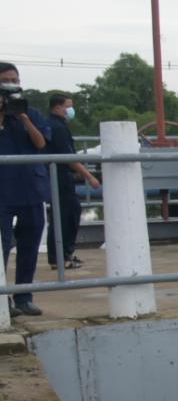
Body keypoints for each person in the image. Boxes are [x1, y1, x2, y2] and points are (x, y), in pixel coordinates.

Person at [0, 62, 51, 316]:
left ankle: (23, 297)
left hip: (30, 187)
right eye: (6, 80)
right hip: (2, 190)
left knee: (30, 244)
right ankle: (2, 301)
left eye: (15, 79)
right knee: (2, 245)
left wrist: (23, 117)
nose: (12, 84)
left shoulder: (31, 112)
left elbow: (41, 143)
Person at [42, 93, 98, 270]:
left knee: (68, 213)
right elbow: (69, 157)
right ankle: (60, 257)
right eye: (68, 106)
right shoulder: (57, 127)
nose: (71, 110)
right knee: (65, 215)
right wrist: (89, 176)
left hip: (58, 175)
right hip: (59, 175)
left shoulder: (54, 124)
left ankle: (64, 254)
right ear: (58, 107)